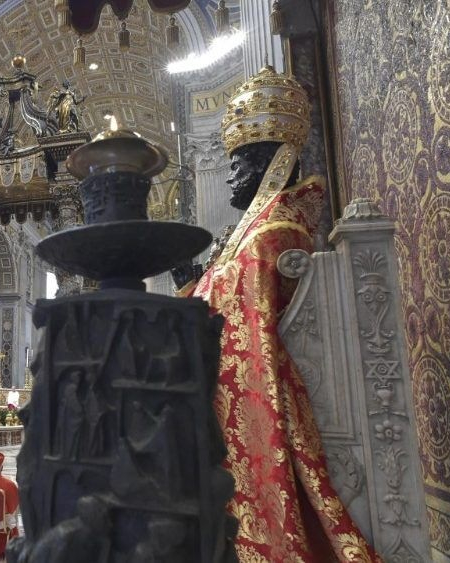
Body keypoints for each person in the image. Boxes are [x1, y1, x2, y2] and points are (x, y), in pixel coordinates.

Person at [175, 66, 378, 561]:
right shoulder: (251, 230)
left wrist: (194, 291)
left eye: (239, 164)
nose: (230, 175)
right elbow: (220, 291)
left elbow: (238, 304)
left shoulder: (277, 229)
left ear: (275, 163)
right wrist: (189, 284)